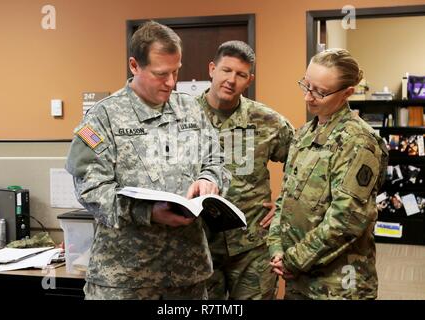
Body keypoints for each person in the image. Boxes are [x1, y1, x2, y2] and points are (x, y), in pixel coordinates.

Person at [66, 21, 230, 300]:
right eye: (161, 74)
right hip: (126, 279)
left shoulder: (189, 108)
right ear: (134, 66)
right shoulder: (103, 117)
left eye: (176, 71)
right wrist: (147, 212)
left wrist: (209, 179)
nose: (171, 82)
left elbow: (216, 159)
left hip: (187, 275)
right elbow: (91, 190)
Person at [268, 48, 389, 300]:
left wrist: (294, 260)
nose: (307, 97)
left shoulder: (359, 142)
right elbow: (285, 198)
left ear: (347, 93)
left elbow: (346, 219)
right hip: (299, 278)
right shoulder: (303, 135)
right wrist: (277, 247)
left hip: (337, 285)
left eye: (320, 92)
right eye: (306, 85)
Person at [196, 40, 294, 299]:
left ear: (248, 80)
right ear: (211, 69)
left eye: (240, 75)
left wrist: (284, 206)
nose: (231, 80)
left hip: (252, 245)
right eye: (226, 70)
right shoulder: (185, 117)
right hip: (199, 243)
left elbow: (302, 165)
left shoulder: (268, 121)